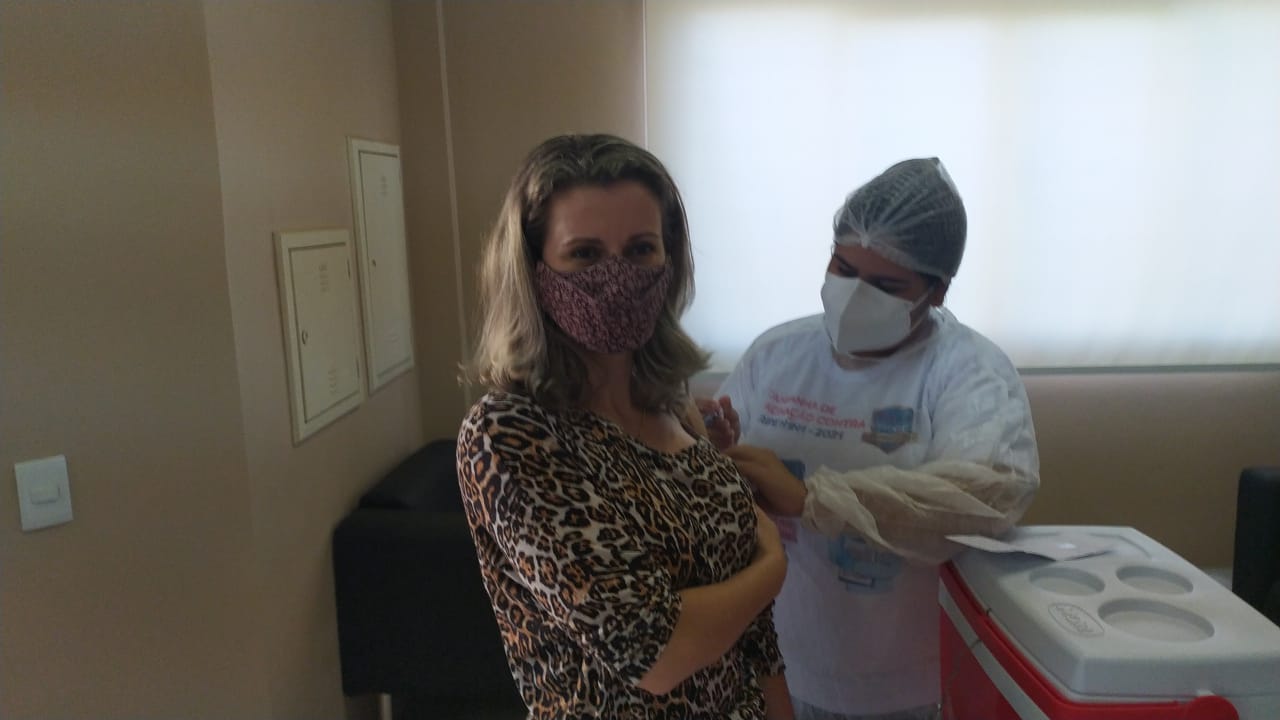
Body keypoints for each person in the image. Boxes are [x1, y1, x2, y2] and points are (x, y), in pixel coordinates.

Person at [457, 133, 794, 720]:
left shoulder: (672, 402)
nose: (616, 278)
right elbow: (655, 653)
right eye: (584, 254)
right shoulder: (509, 434)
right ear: (535, 269)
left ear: (670, 259)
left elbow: (753, 633)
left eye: (640, 249)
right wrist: (774, 568)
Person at [705, 158, 1040, 720]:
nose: (855, 295)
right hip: (777, 661)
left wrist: (814, 499)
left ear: (936, 291)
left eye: (886, 286)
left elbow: (987, 495)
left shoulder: (968, 372)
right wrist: (708, 446)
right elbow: (718, 482)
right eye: (843, 268)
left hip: (903, 680)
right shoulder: (776, 355)